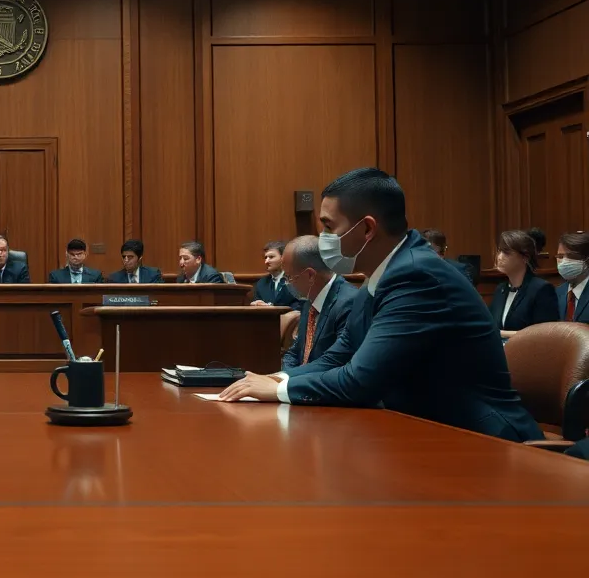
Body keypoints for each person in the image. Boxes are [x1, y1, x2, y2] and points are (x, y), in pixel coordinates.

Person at [220, 167, 542, 443]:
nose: (323, 238)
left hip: (482, 442)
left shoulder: (416, 275)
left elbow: (360, 379)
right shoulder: (381, 276)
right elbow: (338, 356)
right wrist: (277, 379)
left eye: (329, 226)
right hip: (422, 434)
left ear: (368, 229)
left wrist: (275, 390)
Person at [279, 236, 357, 371]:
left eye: (289, 277)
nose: (287, 283)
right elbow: (295, 352)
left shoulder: (349, 303)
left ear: (310, 275)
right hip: (301, 383)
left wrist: (284, 383)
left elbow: (334, 363)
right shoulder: (310, 300)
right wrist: (279, 378)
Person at [489, 229, 557, 338]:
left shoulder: (541, 289)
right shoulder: (500, 289)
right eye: (499, 251)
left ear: (525, 257)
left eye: (506, 253)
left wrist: (501, 334)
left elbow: (545, 333)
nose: (499, 257)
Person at [250, 240, 300, 308]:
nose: (266, 261)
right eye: (265, 258)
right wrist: (256, 305)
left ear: (283, 258)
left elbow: (301, 306)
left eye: (271, 257)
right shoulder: (261, 284)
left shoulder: (296, 279)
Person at [555, 231, 589, 324]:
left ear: (587, 260)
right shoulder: (557, 292)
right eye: (560, 256)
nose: (564, 262)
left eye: (571, 256)